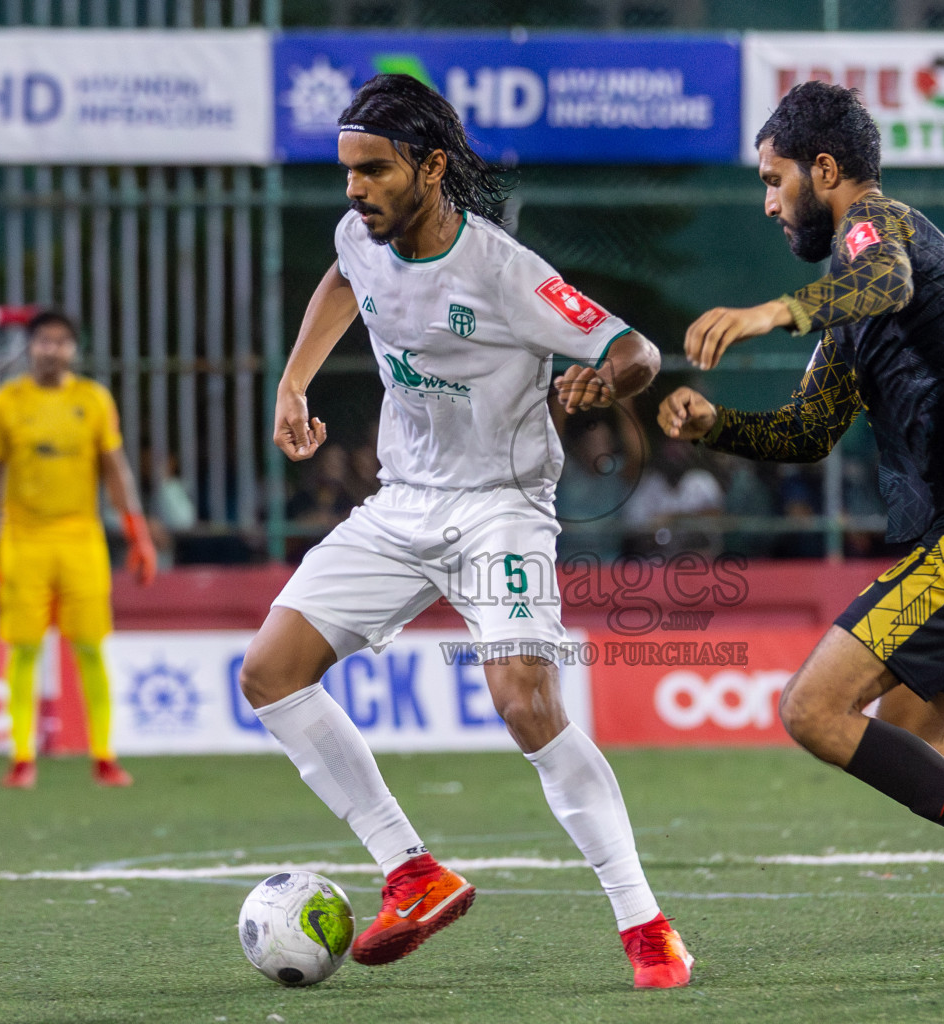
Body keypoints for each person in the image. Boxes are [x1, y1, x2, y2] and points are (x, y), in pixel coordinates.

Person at [236, 74, 692, 988]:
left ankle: (647, 929)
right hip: (404, 502)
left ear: (431, 166)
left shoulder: (501, 270)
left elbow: (633, 348)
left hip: (501, 509)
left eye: (374, 170)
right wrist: (295, 381)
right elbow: (341, 277)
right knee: (270, 673)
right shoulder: (357, 235)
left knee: (526, 702)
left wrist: (606, 382)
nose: (355, 190)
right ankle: (413, 873)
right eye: (347, 172)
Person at [657, 82, 944, 973]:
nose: (767, 201)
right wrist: (719, 428)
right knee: (909, 722)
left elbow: (886, 277)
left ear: (822, 171)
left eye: (773, 178)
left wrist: (771, 312)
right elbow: (809, 430)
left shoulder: (876, 231)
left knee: (812, 708)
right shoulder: (856, 301)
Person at [0, 311, 157, 789]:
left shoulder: (92, 399)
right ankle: (21, 756)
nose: (52, 349)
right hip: (22, 539)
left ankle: (104, 756)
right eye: (44, 341)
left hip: (81, 538)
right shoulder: (4, 403)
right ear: (30, 347)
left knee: (91, 647)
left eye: (62, 341)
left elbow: (116, 469)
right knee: (24, 649)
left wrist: (139, 534)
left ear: (74, 349)